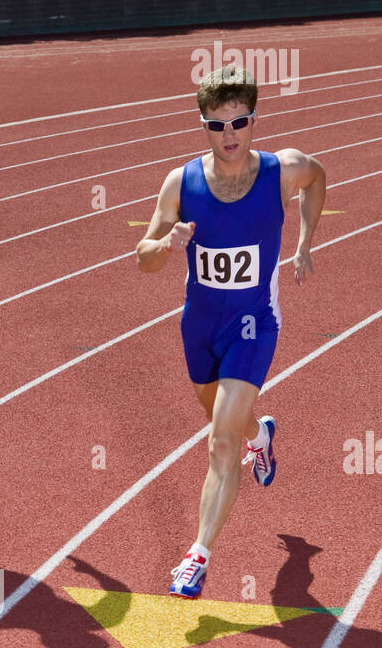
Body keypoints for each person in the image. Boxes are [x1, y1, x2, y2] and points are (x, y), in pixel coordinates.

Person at [136, 65, 326, 597]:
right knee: (225, 420)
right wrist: (167, 245)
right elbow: (142, 258)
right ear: (204, 125)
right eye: (217, 126)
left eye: (238, 123)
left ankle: (197, 557)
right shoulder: (182, 183)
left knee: (220, 441)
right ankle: (261, 436)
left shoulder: (281, 171)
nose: (229, 136)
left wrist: (305, 241)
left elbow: (318, 179)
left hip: (253, 323)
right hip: (199, 326)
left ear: (252, 120)